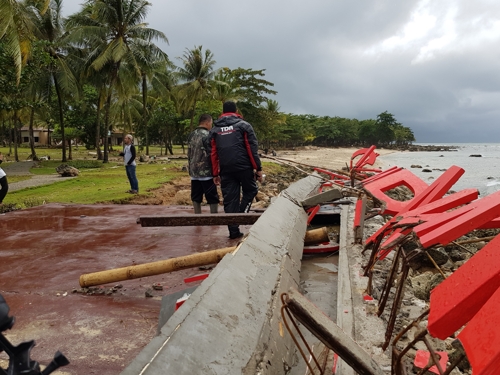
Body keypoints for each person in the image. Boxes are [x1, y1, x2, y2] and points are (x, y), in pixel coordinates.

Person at [209, 101, 263, 239]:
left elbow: (213, 153)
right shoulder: (244, 126)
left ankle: (233, 231)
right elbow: (251, 149)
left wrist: (215, 173)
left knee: (230, 199)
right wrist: (258, 168)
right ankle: (241, 216)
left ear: (223, 112)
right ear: (236, 110)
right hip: (244, 167)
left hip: (225, 170)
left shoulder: (215, 130)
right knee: (251, 190)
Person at [187, 114, 220, 214]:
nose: (211, 125)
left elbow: (189, 153)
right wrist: (216, 172)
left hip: (194, 172)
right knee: (212, 197)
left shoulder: (191, 135)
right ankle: (214, 217)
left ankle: (197, 216)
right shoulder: (208, 135)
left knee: (196, 197)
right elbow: (212, 154)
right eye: (211, 123)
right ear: (207, 122)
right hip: (207, 173)